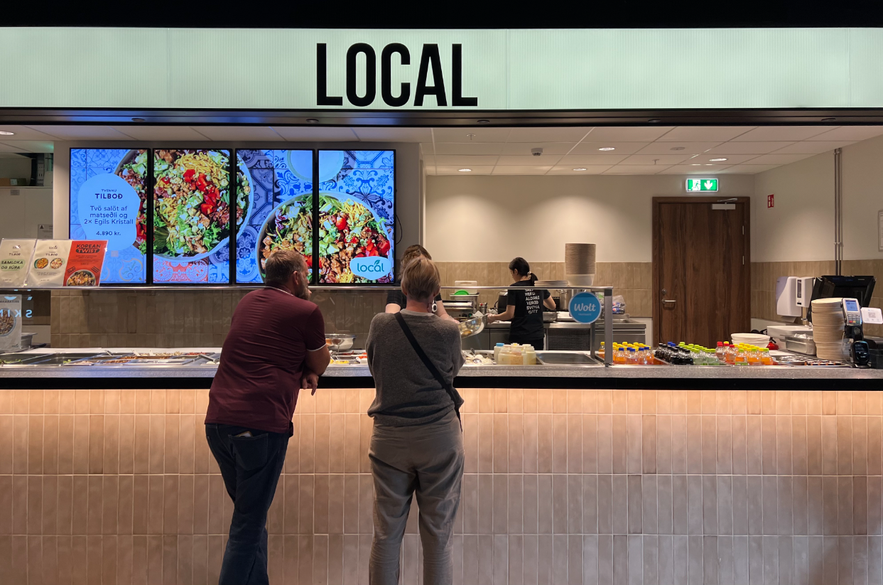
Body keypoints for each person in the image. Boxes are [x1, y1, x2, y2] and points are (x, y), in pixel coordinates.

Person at [204, 250, 330, 585]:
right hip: (258, 428)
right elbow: (321, 363)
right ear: (296, 277)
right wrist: (306, 370)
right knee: (247, 526)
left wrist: (296, 367)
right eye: (306, 273)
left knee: (251, 518)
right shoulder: (307, 310)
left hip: (217, 424)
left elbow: (266, 345)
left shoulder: (247, 301)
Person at [366, 256, 466, 585]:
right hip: (439, 440)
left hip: (389, 440)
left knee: (386, 536)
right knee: (438, 540)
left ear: (403, 287)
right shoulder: (449, 330)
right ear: (437, 292)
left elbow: (375, 367)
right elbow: (453, 372)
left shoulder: (381, 324)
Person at [486, 256, 557, 349]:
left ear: (516, 271)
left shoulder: (515, 288)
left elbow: (509, 314)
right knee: (535, 362)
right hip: (537, 336)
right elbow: (553, 306)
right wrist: (536, 299)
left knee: (518, 362)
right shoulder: (538, 285)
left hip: (520, 336)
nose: (512, 276)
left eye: (512, 273)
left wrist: (493, 317)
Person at [384, 244, 455, 322]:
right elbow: (391, 316)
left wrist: (455, 325)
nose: (421, 269)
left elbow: (442, 314)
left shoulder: (431, 284)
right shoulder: (397, 288)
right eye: (416, 265)